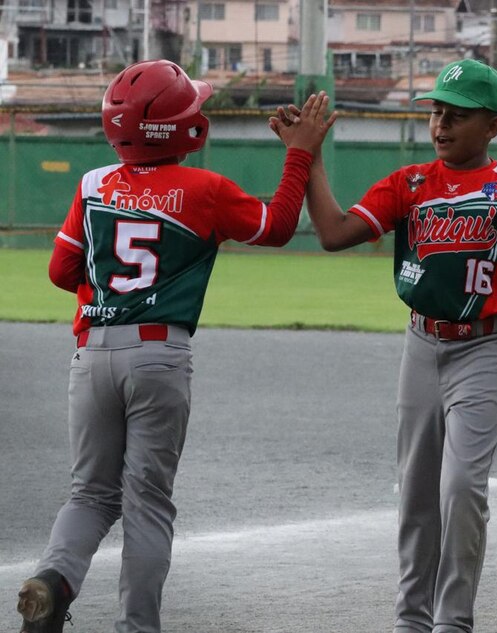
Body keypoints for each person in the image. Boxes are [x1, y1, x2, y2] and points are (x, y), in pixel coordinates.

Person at [271, 59, 497, 632]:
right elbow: (333, 233)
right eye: (436, 111)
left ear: (492, 125)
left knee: (462, 486)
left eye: (458, 114)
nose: (441, 123)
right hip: (422, 347)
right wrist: (312, 157)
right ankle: (411, 619)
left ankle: (453, 620)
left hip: (488, 350)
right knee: (417, 491)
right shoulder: (411, 182)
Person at [16, 59, 327, 633]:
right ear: (184, 129)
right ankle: (136, 626)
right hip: (159, 355)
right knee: (147, 505)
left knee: (89, 494)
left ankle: (53, 581)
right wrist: (300, 152)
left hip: (92, 354)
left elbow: (63, 271)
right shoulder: (203, 188)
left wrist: (110, 297)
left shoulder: (92, 185)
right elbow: (279, 225)